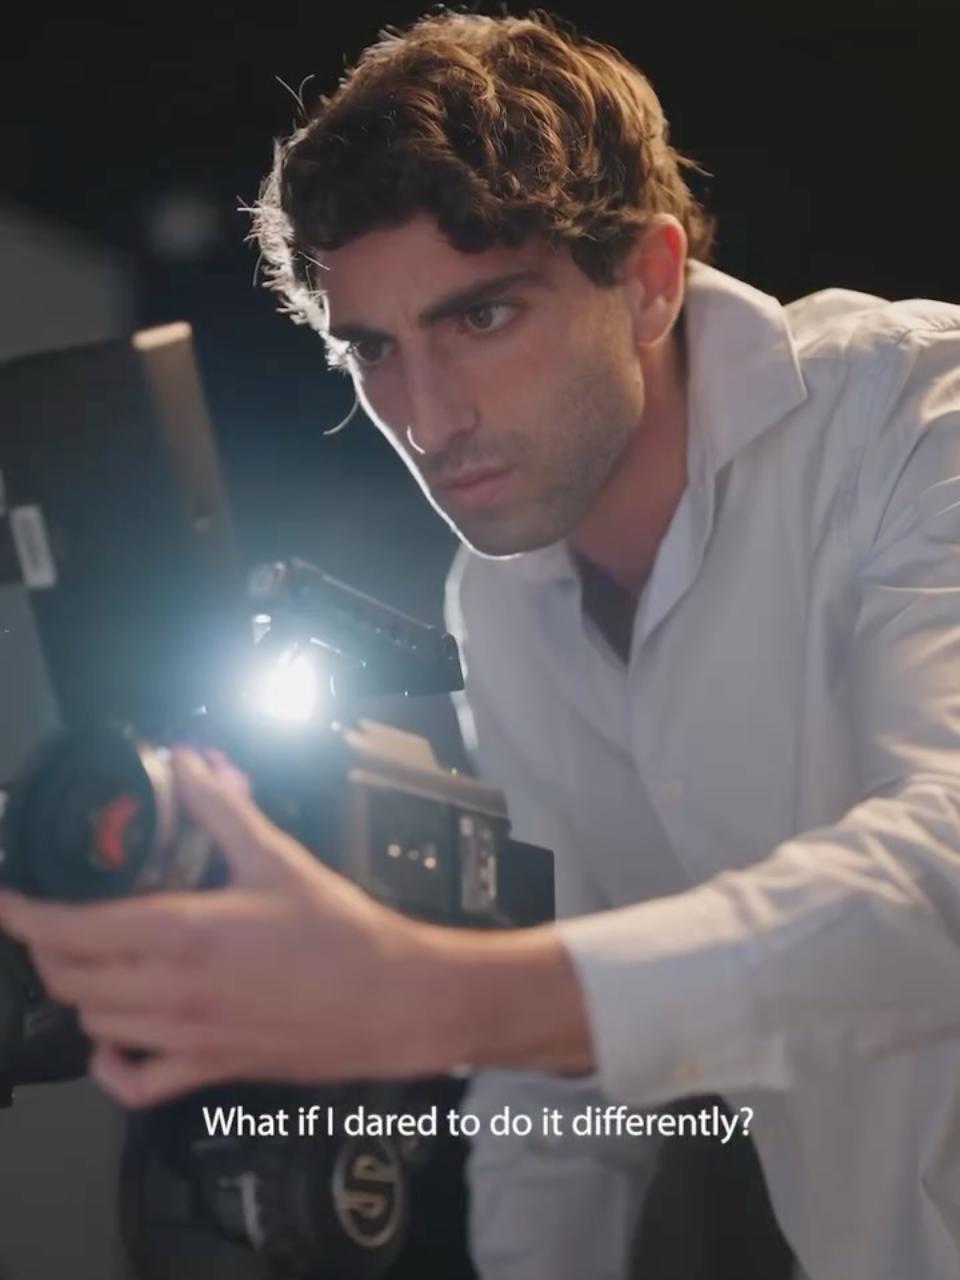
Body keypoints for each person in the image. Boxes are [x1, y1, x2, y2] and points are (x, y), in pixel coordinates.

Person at [1, 9, 959, 1280]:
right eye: (374, 350)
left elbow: (945, 875)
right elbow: (559, 1098)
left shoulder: (917, 415)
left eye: (483, 318)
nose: (428, 418)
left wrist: (436, 991)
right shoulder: (495, 605)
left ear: (650, 279)